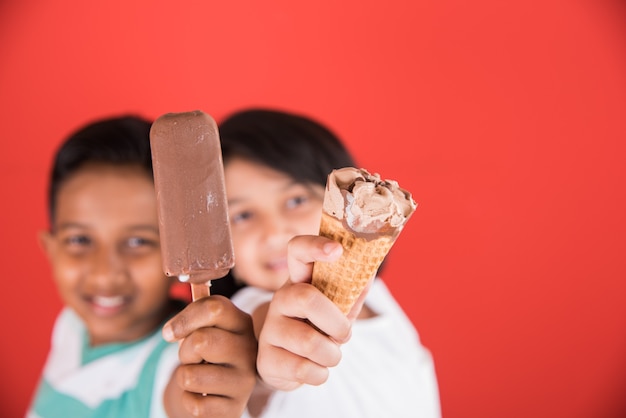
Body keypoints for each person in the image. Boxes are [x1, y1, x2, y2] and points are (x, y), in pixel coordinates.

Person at [208, 108, 442, 417]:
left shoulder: (379, 297)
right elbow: (262, 341)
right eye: (242, 216)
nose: (275, 233)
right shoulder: (249, 313)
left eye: (296, 200)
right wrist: (267, 368)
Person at [27, 115, 257, 418]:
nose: (104, 274)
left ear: (175, 248)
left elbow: (187, 396)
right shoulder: (71, 325)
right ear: (50, 249)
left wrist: (211, 389)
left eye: (138, 242)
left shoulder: (177, 357)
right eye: (80, 240)